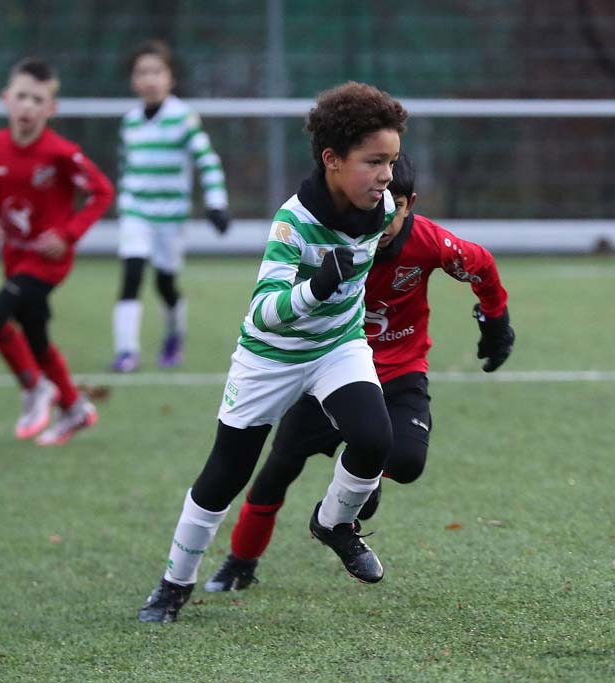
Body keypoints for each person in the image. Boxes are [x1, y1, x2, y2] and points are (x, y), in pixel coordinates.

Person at [137, 81, 408, 623]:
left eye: (393, 162)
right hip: (270, 357)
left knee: (376, 438)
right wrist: (313, 289)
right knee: (224, 476)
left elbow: (377, 252)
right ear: (332, 160)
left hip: (338, 345)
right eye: (374, 162)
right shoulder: (292, 223)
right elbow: (262, 309)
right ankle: (173, 585)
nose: (386, 177)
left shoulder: (378, 207)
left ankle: (334, 523)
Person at [203, 153, 515, 592]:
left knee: (405, 461)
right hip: (328, 368)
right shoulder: (334, 241)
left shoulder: (428, 243)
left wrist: (495, 320)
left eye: (397, 205)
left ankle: (352, 494)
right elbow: (280, 293)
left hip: (399, 370)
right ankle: (240, 560)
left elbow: (479, 264)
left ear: (409, 204)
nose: (385, 219)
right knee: (278, 468)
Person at [0, 57, 114, 446]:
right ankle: (74, 409)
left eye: (38, 100)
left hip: (47, 263)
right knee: (36, 337)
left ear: (50, 109)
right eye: (21, 97)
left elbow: (102, 192)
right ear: (6, 99)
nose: (28, 107)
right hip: (15, 260)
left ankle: (35, 388)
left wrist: (68, 234)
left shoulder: (61, 153)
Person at [111, 40, 231, 372]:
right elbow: (126, 166)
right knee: (132, 273)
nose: (149, 79)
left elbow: (207, 161)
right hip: (137, 213)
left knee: (164, 283)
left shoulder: (182, 118)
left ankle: (174, 334)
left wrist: (216, 204)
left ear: (170, 78)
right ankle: (126, 351)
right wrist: (124, 202)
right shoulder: (130, 122)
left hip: (170, 217)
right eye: (142, 72)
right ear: (134, 81)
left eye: (156, 71)